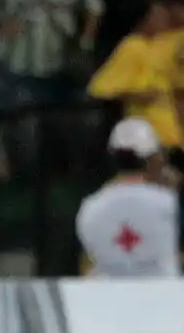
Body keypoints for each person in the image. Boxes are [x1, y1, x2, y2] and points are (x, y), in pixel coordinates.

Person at [76, 119, 181, 277]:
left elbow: (89, 261)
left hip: (108, 297)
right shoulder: (170, 203)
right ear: (152, 160)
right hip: (163, 296)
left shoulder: (90, 207)